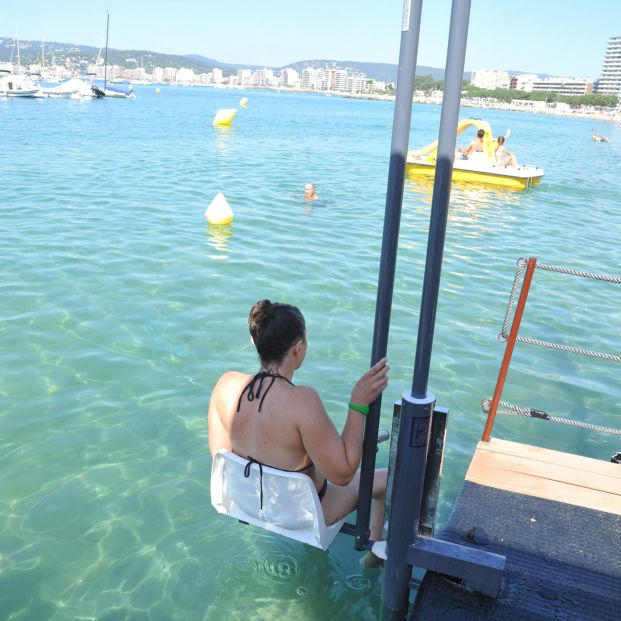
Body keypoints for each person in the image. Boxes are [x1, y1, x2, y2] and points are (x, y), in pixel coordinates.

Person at [208, 300, 389, 565]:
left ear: (254, 341)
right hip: (303, 515)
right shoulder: (302, 402)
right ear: (298, 349)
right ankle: (373, 555)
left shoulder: (225, 386)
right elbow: (343, 473)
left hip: (249, 505)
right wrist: (358, 403)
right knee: (390, 480)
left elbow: (222, 457)